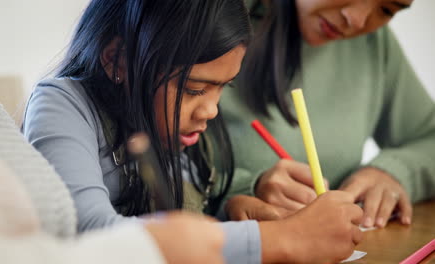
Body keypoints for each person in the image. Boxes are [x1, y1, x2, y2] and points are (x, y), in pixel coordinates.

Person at [23, 0, 364, 263]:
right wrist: (286, 239)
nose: (211, 110)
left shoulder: (170, 129)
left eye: (223, 88)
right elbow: (92, 236)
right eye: (194, 89)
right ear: (117, 61)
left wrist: (229, 207)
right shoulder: (61, 105)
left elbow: (174, 211)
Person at [220, 0, 435, 229]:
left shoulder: (374, 43)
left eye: (386, 10)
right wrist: (242, 189)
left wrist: (394, 171)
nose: (356, 19)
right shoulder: (209, 17)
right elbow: (180, 175)